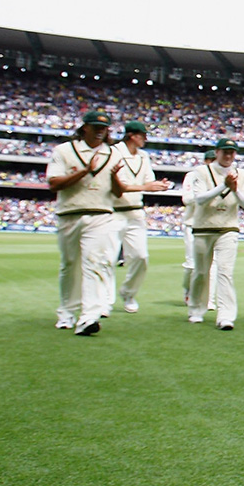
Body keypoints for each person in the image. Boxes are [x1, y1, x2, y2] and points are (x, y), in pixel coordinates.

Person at [46, 110, 126, 336]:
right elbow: (54, 184)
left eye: (104, 128)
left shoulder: (113, 154)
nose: (100, 131)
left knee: (95, 263)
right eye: (96, 127)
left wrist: (114, 178)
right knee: (70, 265)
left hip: (101, 214)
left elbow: (119, 193)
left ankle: (89, 317)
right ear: (85, 128)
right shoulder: (64, 150)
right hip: (70, 213)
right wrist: (85, 172)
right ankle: (66, 313)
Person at [187, 137, 244, 330]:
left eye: (232, 152)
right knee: (200, 272)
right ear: (217, 152)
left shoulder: (241, 174)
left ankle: (226, 316)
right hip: (203, 228)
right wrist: (224, 186)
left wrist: (234, 189)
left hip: (228, 228)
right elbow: (199, 199)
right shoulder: (201, 171)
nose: (229, 155)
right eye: (225, 152)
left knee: (225, 272)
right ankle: (196, 310)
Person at [106, 120, 171, 314]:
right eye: (143, 136)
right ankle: (105, 301)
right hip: (113, 212)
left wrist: (159, 184)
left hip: (135, 212)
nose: (145, 140)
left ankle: (128, 292)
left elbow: (147, 181)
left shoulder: (143, 156)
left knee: (141, 257)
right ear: (133, 135)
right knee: (107, 259)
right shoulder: (113, 152)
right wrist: (146, 187)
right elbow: (117, 185)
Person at [181, 150, 218, 309]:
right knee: (192, 264)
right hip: (192, 223)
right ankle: (188, 289)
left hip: (213, 225)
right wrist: (206, 195)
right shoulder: (193, 175)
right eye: (210, 161)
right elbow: (187, 199)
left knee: (213, 264)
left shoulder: (221, 177)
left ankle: (208, 299)